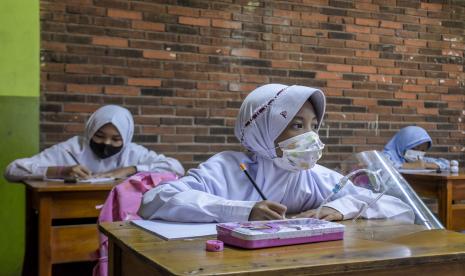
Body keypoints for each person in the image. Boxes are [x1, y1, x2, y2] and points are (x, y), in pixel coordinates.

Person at [139, 84, 413, 223]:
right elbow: (154, 200)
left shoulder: (314, 176)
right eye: (296, 125)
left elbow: (398, 208)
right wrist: (243, 211)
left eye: (314, 127)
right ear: (262, 130)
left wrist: (338, 208)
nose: (312, 137)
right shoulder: (227, 168)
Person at [4, 105, 184, 182]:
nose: (106, 143)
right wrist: (60, 171)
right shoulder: (71, 149)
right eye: (99, 135)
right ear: (89, 131)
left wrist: (130, 169)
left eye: (116, 139)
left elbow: (176, 168)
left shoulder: (132, 153)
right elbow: (12, 170)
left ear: (126, 138)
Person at [383, 126, 448, 170]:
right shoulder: (387, 156)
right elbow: (381, 167)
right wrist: (411, 166)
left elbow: (447, 163)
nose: (417, 153)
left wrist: (426, 165)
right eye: (414, 148)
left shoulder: (416, 160)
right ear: (402, 144)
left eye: (422, 150)